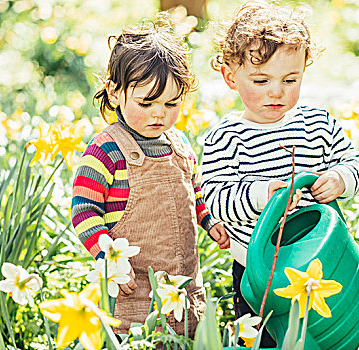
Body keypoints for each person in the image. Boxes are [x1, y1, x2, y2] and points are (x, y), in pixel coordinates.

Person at [202, 1, 359, 346]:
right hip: (259, 270)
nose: (276, 91)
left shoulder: (317, 123)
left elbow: (356, 160)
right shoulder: (226, 137)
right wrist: (263, 195)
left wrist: (341, 178)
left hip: (323, 257)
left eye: (290, 79)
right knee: (264, 337)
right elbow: (216, 198)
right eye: (260, 80)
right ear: (231, 77)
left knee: (334, 332)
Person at [71, 15, 229, 337]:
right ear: (115, 93)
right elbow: (83, 211)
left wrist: (209, 220)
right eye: (147, 102)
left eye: (172, 103)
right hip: (133, 294)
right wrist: (107, 256)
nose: (160, 113)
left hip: (185, 290)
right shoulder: (106, 150)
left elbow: (192, 192)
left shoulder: (179, 143)